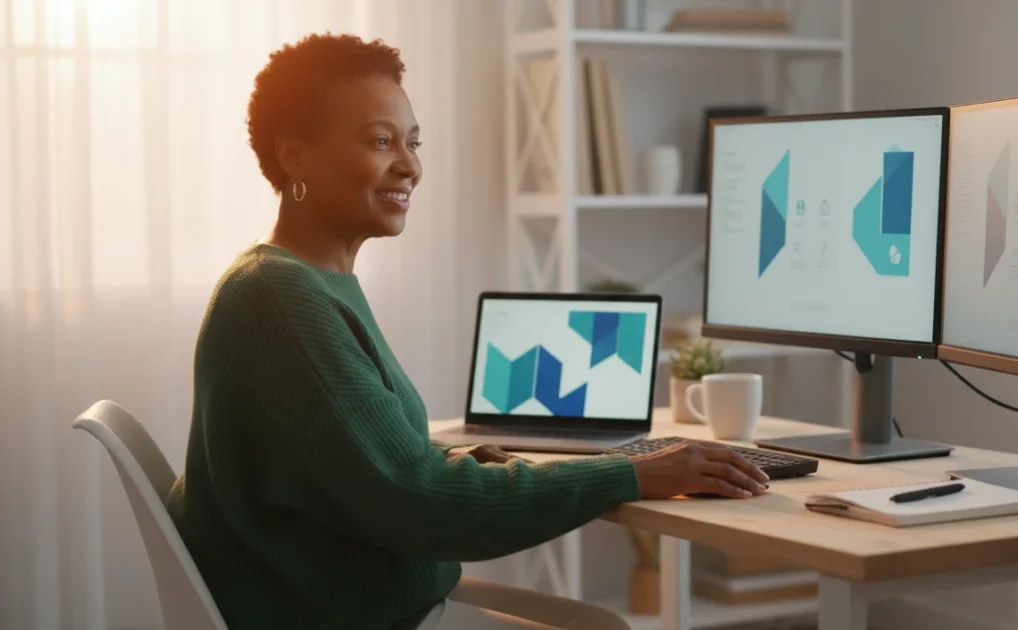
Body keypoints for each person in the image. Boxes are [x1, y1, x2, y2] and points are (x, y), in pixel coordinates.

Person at [166, 33, 769, 630]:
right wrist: (634, 472)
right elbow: (420, 505)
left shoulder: (303, 281)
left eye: (414, 142)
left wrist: (447, 456)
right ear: (295, 155)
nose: (410, 166)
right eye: (380, 141)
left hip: (361, 597)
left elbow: (356, 462)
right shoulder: (280, 296)